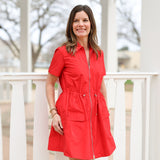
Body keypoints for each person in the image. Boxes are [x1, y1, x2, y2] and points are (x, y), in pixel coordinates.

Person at [46, 5, 116, 160]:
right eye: (76, 21)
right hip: (72, 112)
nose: (81, 24)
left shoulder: (99, 53)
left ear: (91, 24)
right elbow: (50, 83)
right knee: (78, 157)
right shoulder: (63, 52)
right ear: (71, 25)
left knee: (94, 155)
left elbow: (100, 85)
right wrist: (54, 113)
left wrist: (105, 111)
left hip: (96, 112)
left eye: (85, 20)